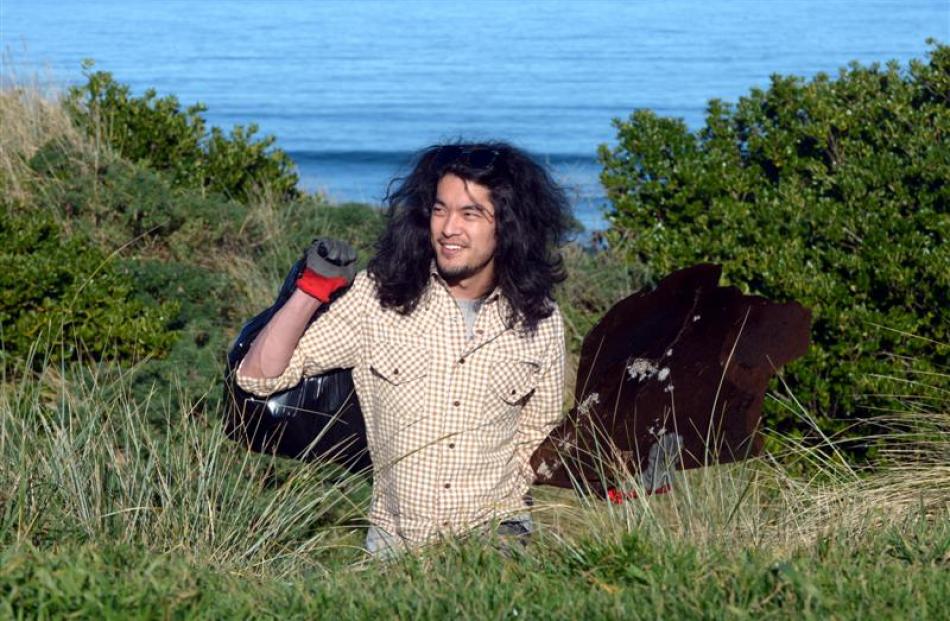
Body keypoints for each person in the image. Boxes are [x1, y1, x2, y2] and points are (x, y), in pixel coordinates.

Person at [236, 142, 570, 556]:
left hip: (499, 538)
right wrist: (311, 290)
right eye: (440, 209)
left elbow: (537, 439)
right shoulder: (379, 299)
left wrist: (613, 473)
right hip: (397, 541)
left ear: (509, 225)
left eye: (470, 214)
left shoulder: (541, 318)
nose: (448, 228)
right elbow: (259, 377)